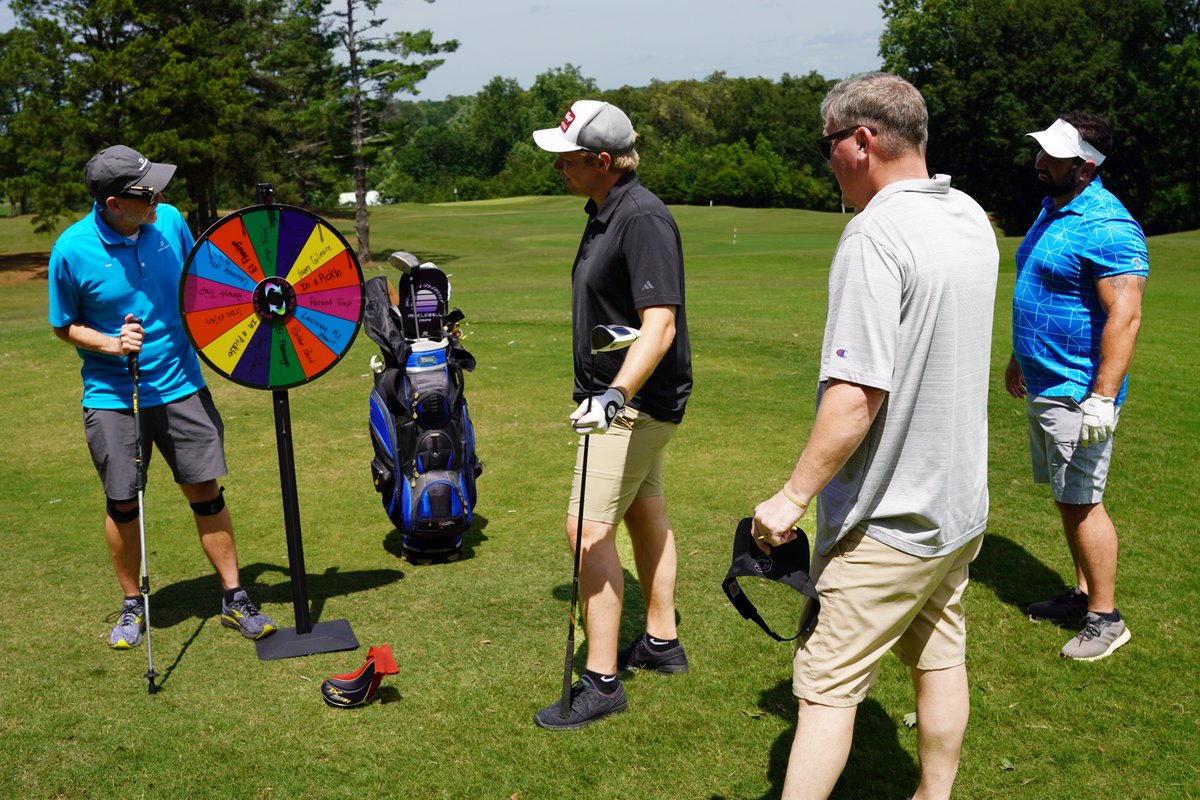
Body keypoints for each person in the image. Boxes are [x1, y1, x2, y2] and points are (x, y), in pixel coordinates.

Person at [752, 73, 998, 800]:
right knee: (939, 655)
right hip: (957, 510)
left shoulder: (873, 236)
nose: (826, 160)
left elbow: (857, 394)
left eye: (830, 144)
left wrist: (790, 498)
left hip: (886, 523)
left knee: (825, 690)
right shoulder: (968, 214)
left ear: (862, 141)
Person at [48, 144, 276, 650]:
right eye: (148, 191)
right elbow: (64, 325)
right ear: (114, 203)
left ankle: (234, 596)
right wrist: (110, 342)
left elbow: (205, 283)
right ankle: (132, 604)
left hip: (181, 386)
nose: (161, 196)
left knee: (205, 490)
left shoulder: (169, 223)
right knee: (123, 501)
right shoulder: (72, 249)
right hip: (113, 394)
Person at [529, 101, 693, 730]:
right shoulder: (605, 213)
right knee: (646, 513)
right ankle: (661, 638)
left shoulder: (642, 218)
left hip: (630, 406)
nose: (558, 165)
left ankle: (600, 680)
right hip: (626, 400)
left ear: (602, 161)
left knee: (586, 530)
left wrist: (614, 397)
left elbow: (660, 325)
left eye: (567, 156)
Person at [1005, 113, 1147, 661]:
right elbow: (1043, 289)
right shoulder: (1053, 209)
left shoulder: (1109, 224)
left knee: (1084, 502)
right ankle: (1085, 593)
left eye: (1051, 156)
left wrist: (1103, 398)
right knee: (1069, 499)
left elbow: (1125, 317)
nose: (1039, 163)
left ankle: (1106, 617)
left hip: (1077, 388)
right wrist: (1019, 357)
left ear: (1086, 165)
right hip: (1044, 378)